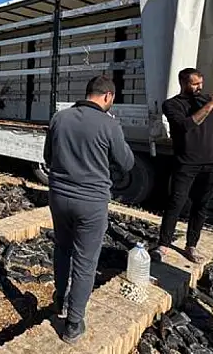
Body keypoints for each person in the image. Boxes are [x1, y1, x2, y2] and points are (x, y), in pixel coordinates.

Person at [43, 75, 135, 344]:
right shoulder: (109, 124)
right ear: (108, 96)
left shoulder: (59, 118)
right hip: (91, 202)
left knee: (62, 248)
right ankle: (72, 324)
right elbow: (126, 163)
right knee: (85, 261)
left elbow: (48, 158)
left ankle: (60, 300)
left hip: (58, 196)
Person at [153, 68, 213, 263]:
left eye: (201, 83)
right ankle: (163, 245)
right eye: (195, 84)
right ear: (183, 83)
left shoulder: (205, 99)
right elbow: (187, 125)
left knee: (201, 205)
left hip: (212, 162)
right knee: (175, 204)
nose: (199, 87)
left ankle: (191, 245)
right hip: (186, 163)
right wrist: (211, 104)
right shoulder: (171, 105)